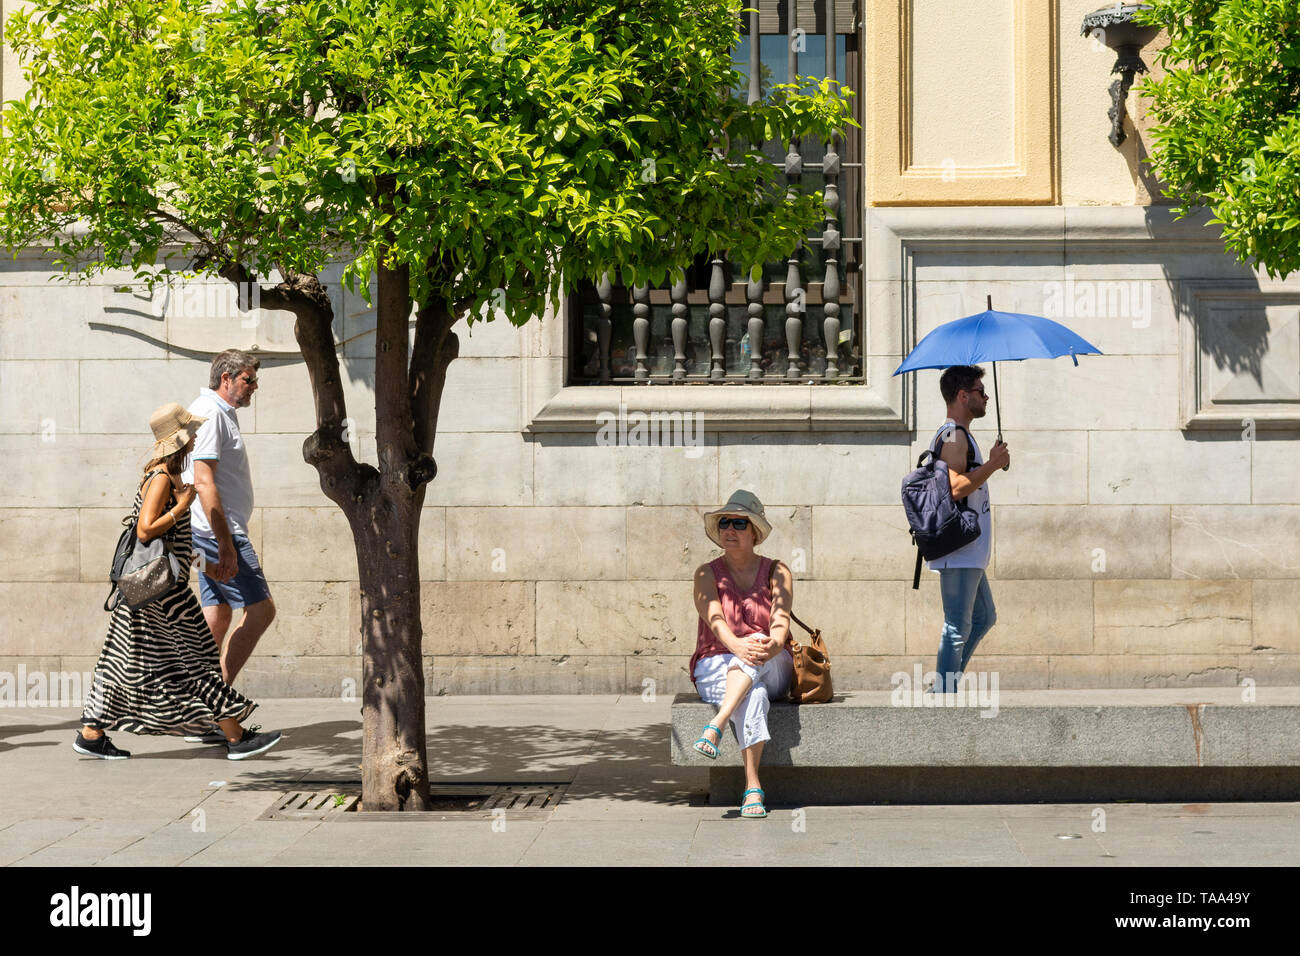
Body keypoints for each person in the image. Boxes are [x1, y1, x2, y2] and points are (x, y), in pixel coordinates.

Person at [74, 403, 282, 760]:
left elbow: (171, 544)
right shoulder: (161, 479)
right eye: (191, 433)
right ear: (179, 441)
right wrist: (182, 505)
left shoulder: (170, 477)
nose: (196, 437)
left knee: (121, 663)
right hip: (161, 595)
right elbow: (145, 530)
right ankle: (235, 737)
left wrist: (208, 567)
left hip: (150, 592)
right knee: (197, 658)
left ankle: (91, 734)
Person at [689, 490, 794, 819]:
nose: (729, 529)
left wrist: (768, 645)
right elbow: (716, 622)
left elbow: (780, 625)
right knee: (755, 695)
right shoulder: (706, 573)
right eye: (724, 523)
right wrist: (738, 645)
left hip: (772, 660)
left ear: (755, 532)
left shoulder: (778, 571)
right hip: (716, 663)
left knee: (756, 647)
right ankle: (752, 786)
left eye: (738, 523)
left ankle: (717, 722)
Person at [183, 349, 275, 690]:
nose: (254, 386)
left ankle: (194, 700)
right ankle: (215, 702)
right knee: (262, 612)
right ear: (226, 378)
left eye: (255, 380)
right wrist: (226, 544)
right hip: (219, 534)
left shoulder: (219, 411)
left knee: (218, 614)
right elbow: (203, 480)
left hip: (208, 532)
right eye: (247, 379)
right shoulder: (210, 413)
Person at [928, 365, 1010, 693]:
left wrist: (990, 461)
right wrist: (992, 464)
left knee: (983, 617)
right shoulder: (952, 434)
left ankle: (946, 686)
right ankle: (942, 695)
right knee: (957, 626)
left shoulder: (962, 434)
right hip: (959, 549)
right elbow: (954, 487)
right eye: (980, 390)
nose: (986, 396)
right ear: (963, 396)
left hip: (969, 550)